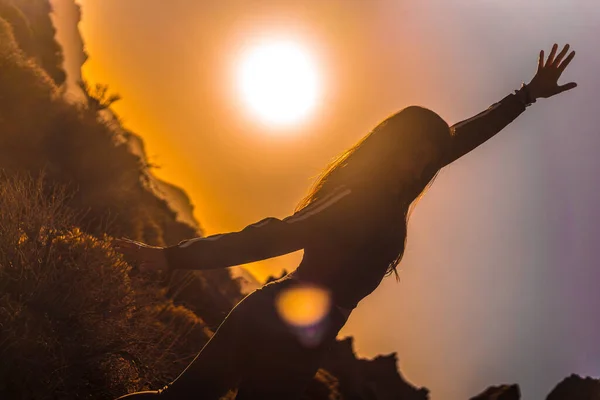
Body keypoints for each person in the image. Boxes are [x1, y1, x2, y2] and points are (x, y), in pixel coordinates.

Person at [112, 44, 577, 399]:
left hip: (304, 337)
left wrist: (526, 97)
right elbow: (276, 235)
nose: (422, 164)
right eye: (415, 151)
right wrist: (170, 257)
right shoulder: (358, 192)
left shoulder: (396, 191)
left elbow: (462, 138)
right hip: (274, 322)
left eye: (429, 157)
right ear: (392, 145)